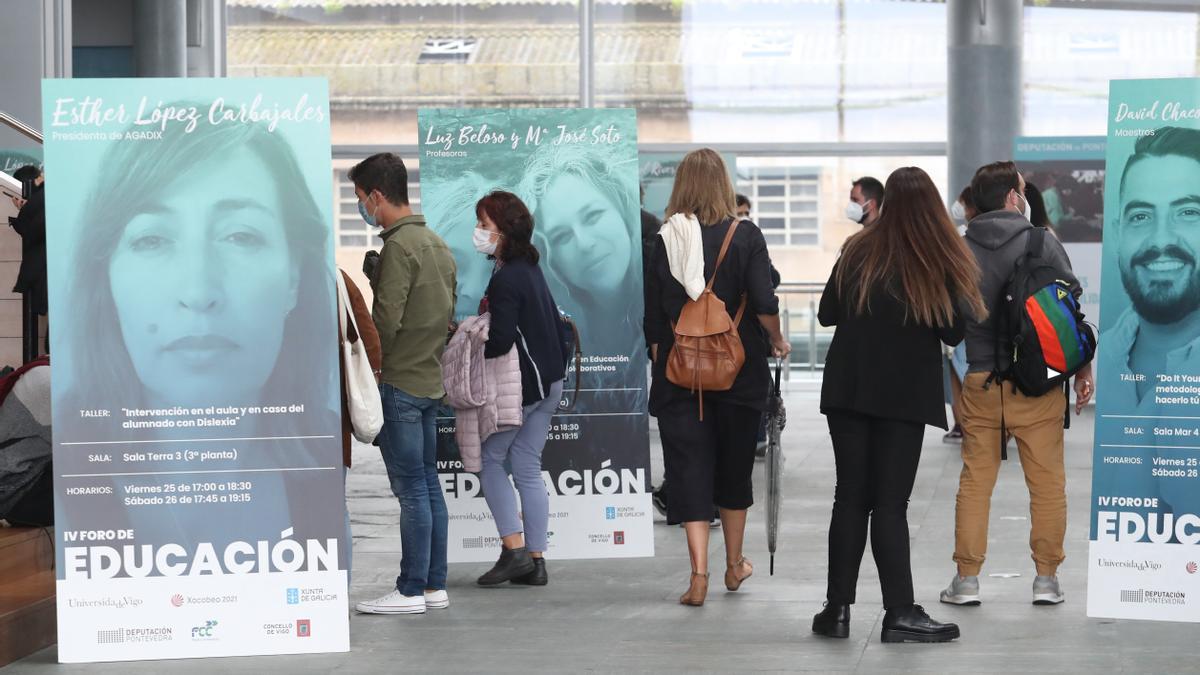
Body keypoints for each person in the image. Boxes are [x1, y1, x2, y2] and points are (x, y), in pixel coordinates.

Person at [56, 113, 344, 561]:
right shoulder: (67, 463)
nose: (197, 292)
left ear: (293, 276)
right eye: (152, 239)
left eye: (241, 235)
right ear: (105, 277)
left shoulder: (320, 456)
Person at [814, 166, 984, 643]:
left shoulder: (858, 250)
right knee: (890, 504)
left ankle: (837, 611)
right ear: (931, 208)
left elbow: (827, 313)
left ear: (886, 205)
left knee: (849, 498)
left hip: (848, 389)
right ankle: (900, 613)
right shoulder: (935, 260)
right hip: (904, 396)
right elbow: (954, 332)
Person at [942, 161, 1094, 608]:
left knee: (975, 481)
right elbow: (1069, 312)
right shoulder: (1040, 240)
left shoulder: (959, 249)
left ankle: (966, 581)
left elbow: (951, 320)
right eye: (1022, 190)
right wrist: (1083, 368)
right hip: (1038, 384)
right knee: (1046, 483)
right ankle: (1046, 580)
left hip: (981, 381)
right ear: (1013, 196)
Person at [644, 148, 789, 607]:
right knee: (733, 467)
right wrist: (778, 340)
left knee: (688, 470)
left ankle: (698, 575)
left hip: (679, 373)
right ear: (724, 185)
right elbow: (765, 301)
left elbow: (651, 315)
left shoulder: (666, 237)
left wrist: (667, 355)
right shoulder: (746, 236)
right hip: (739, 371)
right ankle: (734, 563)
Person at [351, 153, 458, 616]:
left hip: (398, 383)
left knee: (411, 489)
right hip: (431, 380)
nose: (362, 208)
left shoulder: (398, 248)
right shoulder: (435, 242)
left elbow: (385, 322)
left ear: (376, 196)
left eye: (360, 199)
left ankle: (410, 589)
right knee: (428, 485)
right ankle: (434, 585)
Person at [1099, 126, 1200, 515]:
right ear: (1117, 234)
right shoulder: (1106, 356)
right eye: (1141, 216)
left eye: (1188, 213)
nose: (1161, 239)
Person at [469, 191, 567, 587]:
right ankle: (536, 560)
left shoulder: (507, 276)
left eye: (484, 226)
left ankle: (513, 550)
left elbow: (501, 340)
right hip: (552, 383)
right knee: (527, 466)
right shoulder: (529, 267)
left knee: (491, 461)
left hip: (524, 388)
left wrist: (470, 336)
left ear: (505, 231)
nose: (478, 233)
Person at [337, 268, 382, 581]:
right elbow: (369, 341)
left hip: (267, 425)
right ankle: (338, 591)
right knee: (333, 508)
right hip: (329, 419)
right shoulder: (335, 277)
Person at [943, 187, 978, 442]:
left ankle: (969, 425)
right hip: (970, 320)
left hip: (965, 319)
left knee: (965, 372)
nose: (958, 207)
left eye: (962, 203)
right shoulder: (960, 237)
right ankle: (969, 424)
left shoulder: (962, 240)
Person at [9, 165, 47, 355]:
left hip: (47, 276)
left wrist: (25, 211)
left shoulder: (41, 202)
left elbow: (32, 234)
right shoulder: (43, 201)